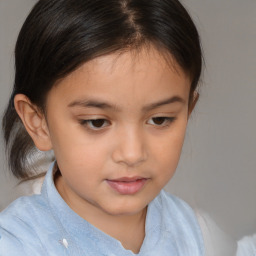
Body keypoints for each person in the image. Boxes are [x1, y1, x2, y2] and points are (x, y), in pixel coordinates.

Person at [0, 0, 205, 255]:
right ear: (37, 121)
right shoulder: (13, 245)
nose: (132, 154)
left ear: (188, 110)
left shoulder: (193, 229)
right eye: (97, 122)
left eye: (160, 119)